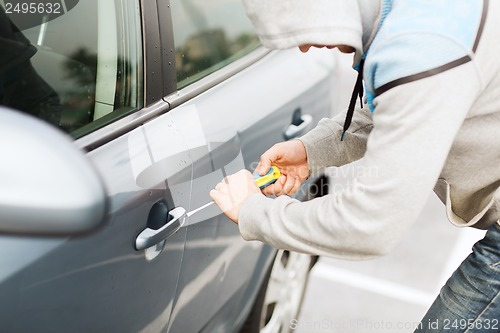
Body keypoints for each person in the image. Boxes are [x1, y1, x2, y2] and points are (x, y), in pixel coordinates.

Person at [209, 0, 500, 331]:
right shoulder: (407, 16)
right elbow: (399, 109)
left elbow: (370, 224)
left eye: (299, 28)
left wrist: (254, 213)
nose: (304, 47)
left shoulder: (422, 48)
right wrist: (311, 150)